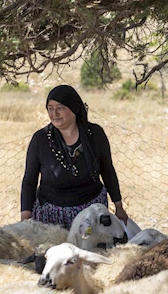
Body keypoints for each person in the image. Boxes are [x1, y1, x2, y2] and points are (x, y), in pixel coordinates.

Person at [20, 84, 129, 230]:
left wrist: (118, 206)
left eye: (60, 108)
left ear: (74, 108)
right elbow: (29, 180)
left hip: (91, 213)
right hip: (52, 218)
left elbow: (107, 170)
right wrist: (25, 217)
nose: (54, 113)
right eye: (50, 108)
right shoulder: (40, 139)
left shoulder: (95, 135)